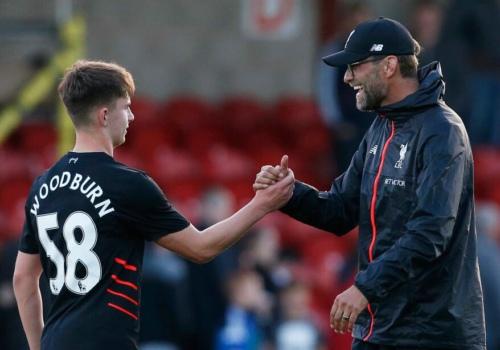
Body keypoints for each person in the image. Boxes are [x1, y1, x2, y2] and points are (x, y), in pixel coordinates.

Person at [12, 60, 294, 350]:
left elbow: (23, 279)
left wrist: (38, 346)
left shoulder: (42, 186)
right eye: (126, 107)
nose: (132, 116)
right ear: (105, 115)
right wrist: (262, 204)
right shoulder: (128, 184)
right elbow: (201, 247)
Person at [254, 17, 486, 350]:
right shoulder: (380, 128)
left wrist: (365, 288)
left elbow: (430, 233)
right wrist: (289, 194)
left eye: (356, 66)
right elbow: (339, 210)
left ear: (389, 65)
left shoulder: (443, 130)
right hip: (378, 331)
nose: (347, 77)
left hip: (432, 336)